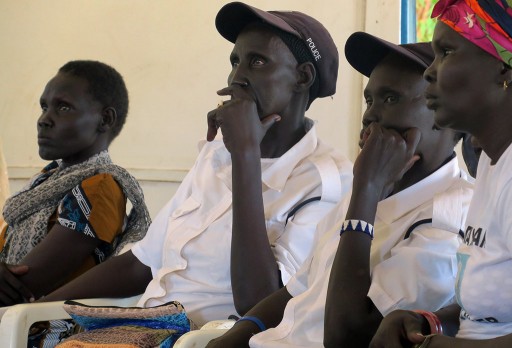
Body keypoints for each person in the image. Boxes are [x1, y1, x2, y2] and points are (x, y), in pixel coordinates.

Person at [42, 1, 352, 328]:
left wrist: (246, 156)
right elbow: (143, 263)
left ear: (302, 78)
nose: (237, 77)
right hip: (143, 327)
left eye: (257, 62)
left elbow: (259, 304)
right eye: (234, 61)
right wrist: (29, 307)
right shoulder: (217, 151)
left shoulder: (326, 180)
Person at [206, 32, 474, 348]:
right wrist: (238, 334)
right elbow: (297, 289)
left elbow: (346, 336)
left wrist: (366, 190)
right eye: (369, 100)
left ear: (441, 116)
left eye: (390, 99)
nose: (369, 116)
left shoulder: (446, 224)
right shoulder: (373, 190)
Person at [369, 1, 512, 347]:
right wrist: (431, 322)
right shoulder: (502, 152)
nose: (430, 72)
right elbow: (500, 314)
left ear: (506, 68)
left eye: (446, 51)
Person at [0, 60, 150, 306]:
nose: (44, 119)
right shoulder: (45, 183)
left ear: (105, 119)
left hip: (46, 332)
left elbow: (20, 285)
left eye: (63, 108)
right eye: (44, 107)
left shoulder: (99, 188)